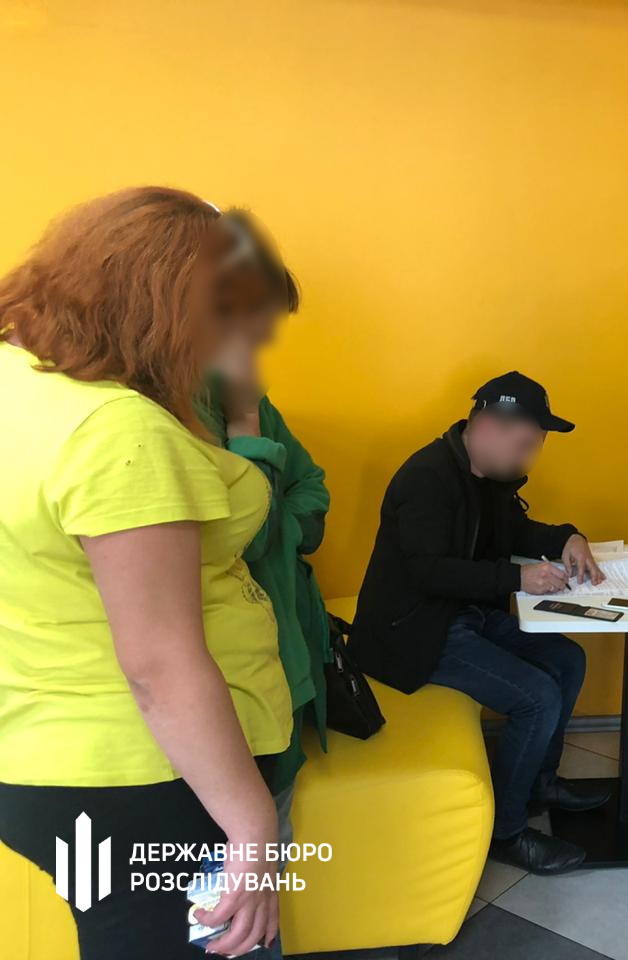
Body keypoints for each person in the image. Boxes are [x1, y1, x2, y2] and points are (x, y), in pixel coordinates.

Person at [0, 188, 295, 958]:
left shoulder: (19, 380)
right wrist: (253, 827)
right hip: (143, 776)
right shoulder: (114, 432)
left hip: (47, 747)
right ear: (161, 309)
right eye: (219, 317)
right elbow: (159, 666)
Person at [350, 371, 612, 874]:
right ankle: (506, 833)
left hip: (463, 616)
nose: (528, 460)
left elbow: (516, 530)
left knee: (567, 659)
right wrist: (517, 578)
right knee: (538, 697)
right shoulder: (426, 478)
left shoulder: (486, 477)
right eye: (525, 446)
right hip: (414, 632)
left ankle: (540, 784)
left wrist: (568, 537)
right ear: (488, 425)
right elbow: (428, 571)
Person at [198, 209, 331, 960]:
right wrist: (247, 421)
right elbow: (238, 537)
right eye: (255, 325)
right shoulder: (175, 406)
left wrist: (289, 525)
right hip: (225, 687)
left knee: (261, 866)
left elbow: (310, 489)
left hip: (280, 657)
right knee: (232, 906)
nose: (265, 344)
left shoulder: (251, 396)